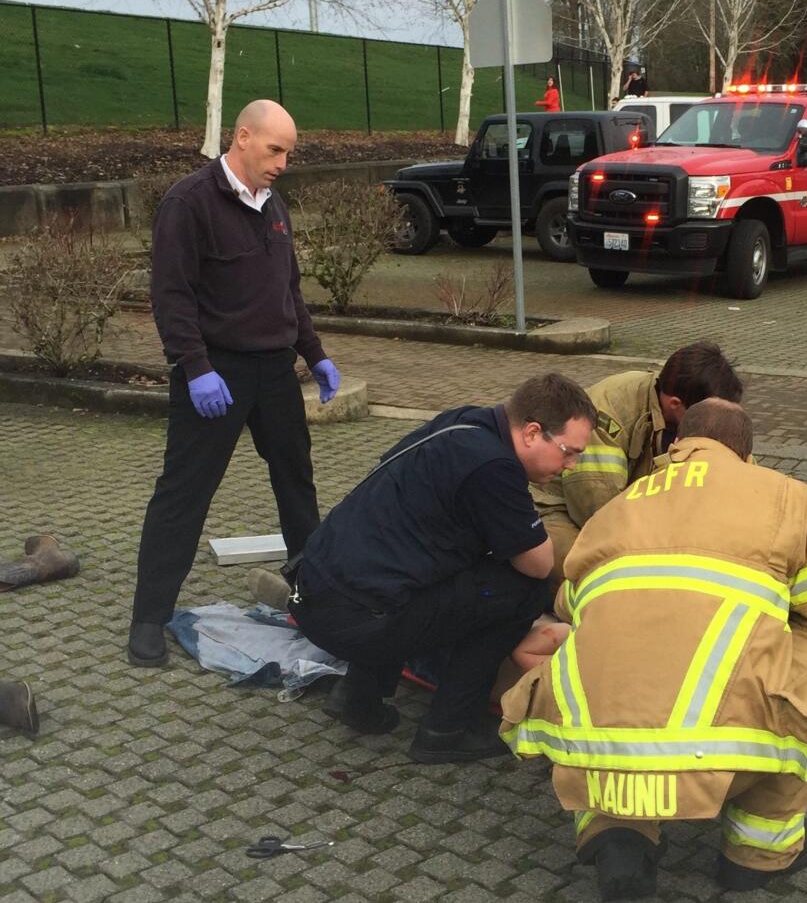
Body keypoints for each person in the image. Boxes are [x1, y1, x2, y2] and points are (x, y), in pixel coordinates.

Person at [502, 399, 807, 900]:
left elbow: (572, 602)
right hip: (726, 739)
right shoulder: (789, 497)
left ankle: (617, 833)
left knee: (602, 648)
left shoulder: (621, 503)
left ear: (677, 443)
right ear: (746, 455)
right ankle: (756, 855)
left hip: (591, 733)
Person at [128, 99, 340, 668]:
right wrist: (195, 368)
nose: (283, 163)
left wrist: (313, 354)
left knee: (297, 483)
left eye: (290, 153)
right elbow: (171, 295)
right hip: (214, 374)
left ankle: (314, 602)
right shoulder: (188, 203)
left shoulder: (276, 207)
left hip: (274, 372)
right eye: (276, 150)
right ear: (242, 137)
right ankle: (148, 619)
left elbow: (288, 290)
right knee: (184, 493)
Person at [289, 374, 597, 764]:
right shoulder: (494, 468)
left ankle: (357, 696)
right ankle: (447, 728)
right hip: (358, 621)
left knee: (415, 573)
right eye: (569, 452)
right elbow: (538, 564)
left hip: (315, 591)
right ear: (533, 432)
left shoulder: (462, 422)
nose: (570, 466)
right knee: (522, 591)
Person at [531, 342, 742, 585]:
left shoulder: (704, 414)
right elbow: (598, 509)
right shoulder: (609, 407)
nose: (712, 423)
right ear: (675, 404)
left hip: (634, 518)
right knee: (587, 572)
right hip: (563, 508)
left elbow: (737, 476)